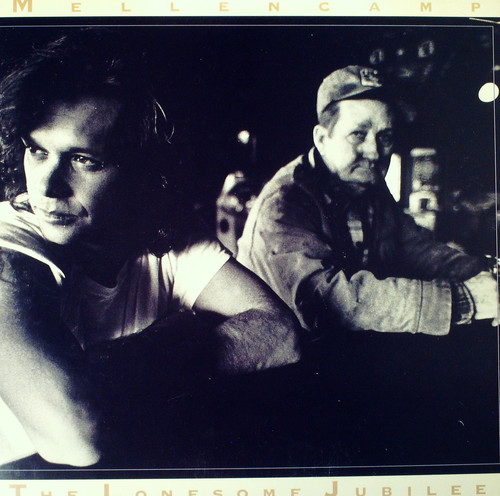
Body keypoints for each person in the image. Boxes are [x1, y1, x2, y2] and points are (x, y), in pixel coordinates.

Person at [0, 30, 300, 467]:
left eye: (84, 160)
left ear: (142, 171)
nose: (46, 187)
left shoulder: (163, 231)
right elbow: (75, 435)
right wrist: (184, 334)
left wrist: (105, 366)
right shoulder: (9, 242)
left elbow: (280, 334)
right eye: (37, 151)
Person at [237, 65, 498, 335]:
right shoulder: (284, 203)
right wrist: (463, 301)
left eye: (384, 137)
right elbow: (328, 300)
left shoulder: (366, 186)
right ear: (322, 139)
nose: (374, 152)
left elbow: (416, 249)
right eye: (358, 135)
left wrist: (484, 274)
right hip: (282, 354)